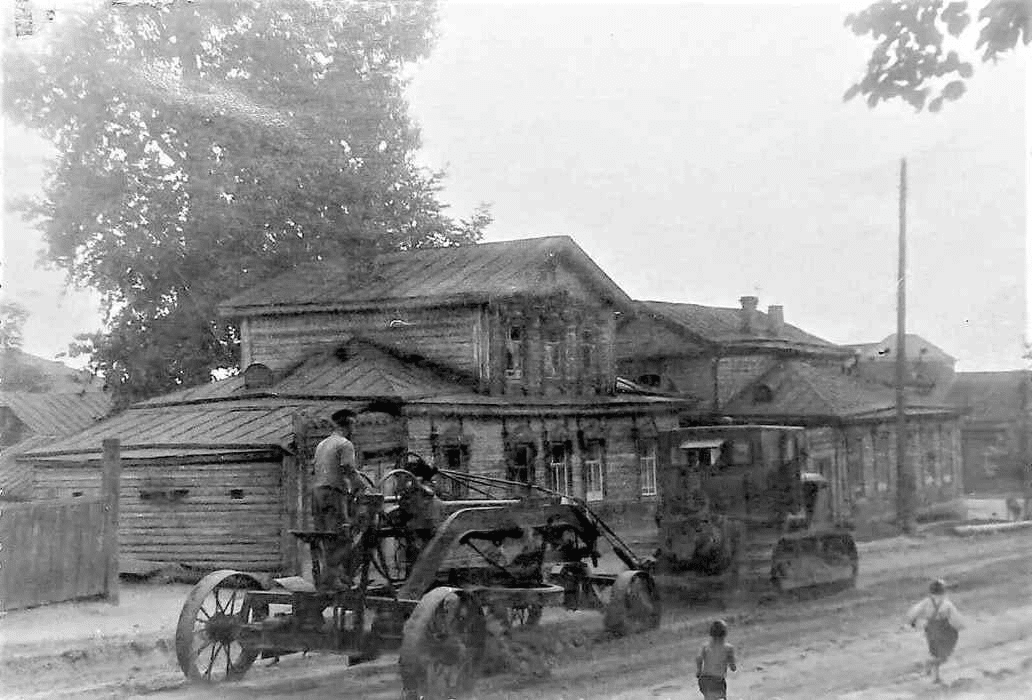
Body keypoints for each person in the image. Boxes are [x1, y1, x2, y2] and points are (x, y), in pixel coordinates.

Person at [311, 408, 361, 531]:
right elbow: (348, 467)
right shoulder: (345, 444)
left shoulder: (321, 445)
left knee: (323, 535)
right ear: (349, 425)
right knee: (340, 535)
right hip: (333, 495)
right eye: (354, 426)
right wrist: (362, 486)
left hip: (317, 495)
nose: (354, 431)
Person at [907, 578, 964, 684]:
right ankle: (928, 665)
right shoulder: (946, 604)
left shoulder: (926, 602)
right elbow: (956, 619)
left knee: (935, 652)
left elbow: (912, 613)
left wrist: (913, 623)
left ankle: (936, 677)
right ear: (943, 591)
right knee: (944, 655)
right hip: (945, 631)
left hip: (931, 630)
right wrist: (959, 627)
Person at [695, 619, 737, 700]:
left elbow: (699, 658)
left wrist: (699, 671)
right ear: (725, 633)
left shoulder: (705, 646)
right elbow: (733, 667)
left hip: (704, 680)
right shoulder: (728, 648)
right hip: (717, 681)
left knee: (709, 696)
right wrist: (733, 666)